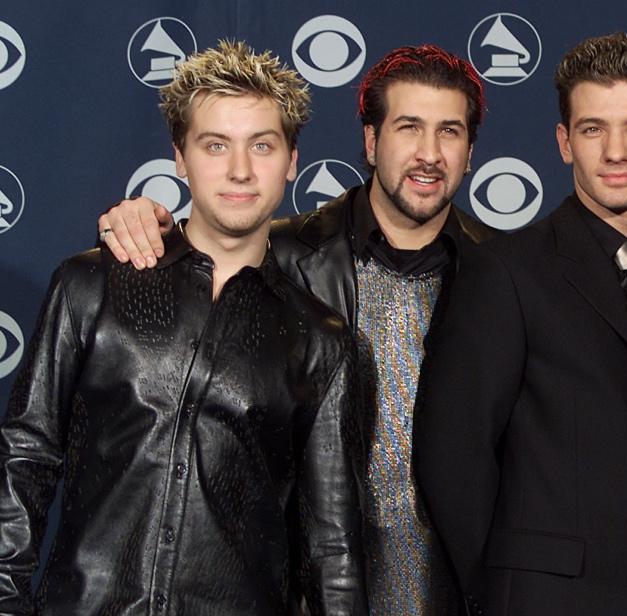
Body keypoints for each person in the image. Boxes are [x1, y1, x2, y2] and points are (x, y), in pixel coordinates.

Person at [96, 45, 627, 614]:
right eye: (407, 128)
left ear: (471, 151)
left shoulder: (506, 269)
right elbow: (206, 259)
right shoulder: (280, 254)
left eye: (449, 132)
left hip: (450, 587)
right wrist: (152, 223)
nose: (428, 153)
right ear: (370, 140)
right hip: (300, 588)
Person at [0, 41, 365, 614]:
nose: (240, 170)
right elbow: (26, 458)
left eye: (262, 146)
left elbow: (331, 545)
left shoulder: (321, 339)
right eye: (215, 145)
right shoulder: (89, 285)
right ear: (180, 157)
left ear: (292, 161)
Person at [413, 33, 627, 616]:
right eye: (593, 128)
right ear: (564, 142)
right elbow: (453, 451)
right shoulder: (503, 269)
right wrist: (506, 586)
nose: (617, 152)